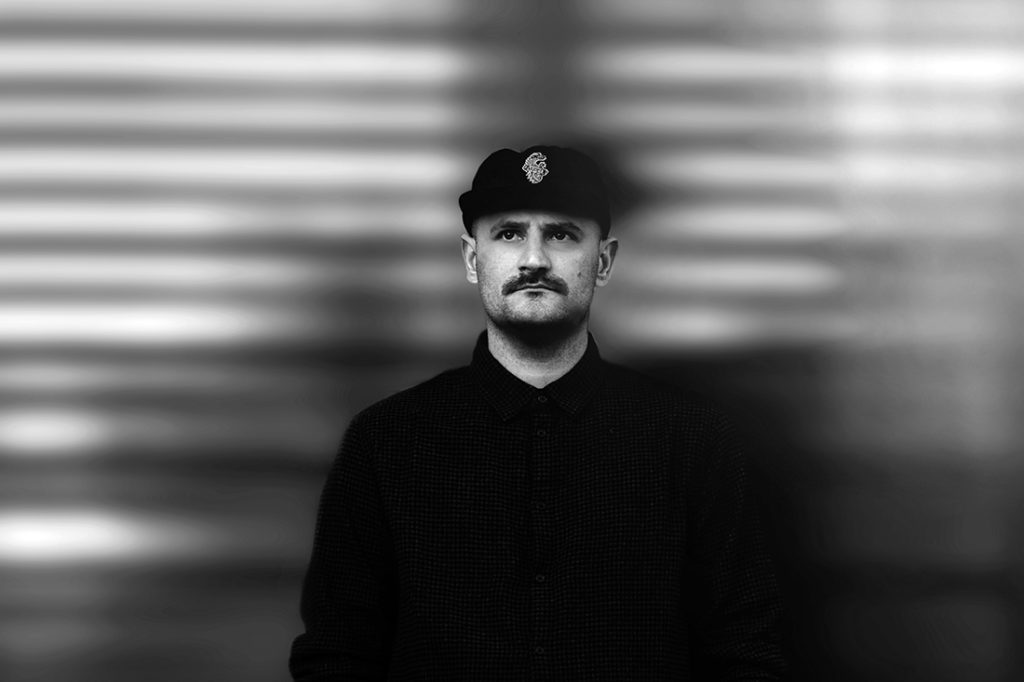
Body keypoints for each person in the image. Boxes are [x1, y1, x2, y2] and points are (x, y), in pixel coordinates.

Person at [289, 145, 788, 681]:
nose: (534, 259)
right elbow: (338, 653)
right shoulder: (387, 440)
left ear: (603, 261)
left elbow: (745, 649)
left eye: (562, 234)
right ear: (471, 259)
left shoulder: (693, 439)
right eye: (508, 234)